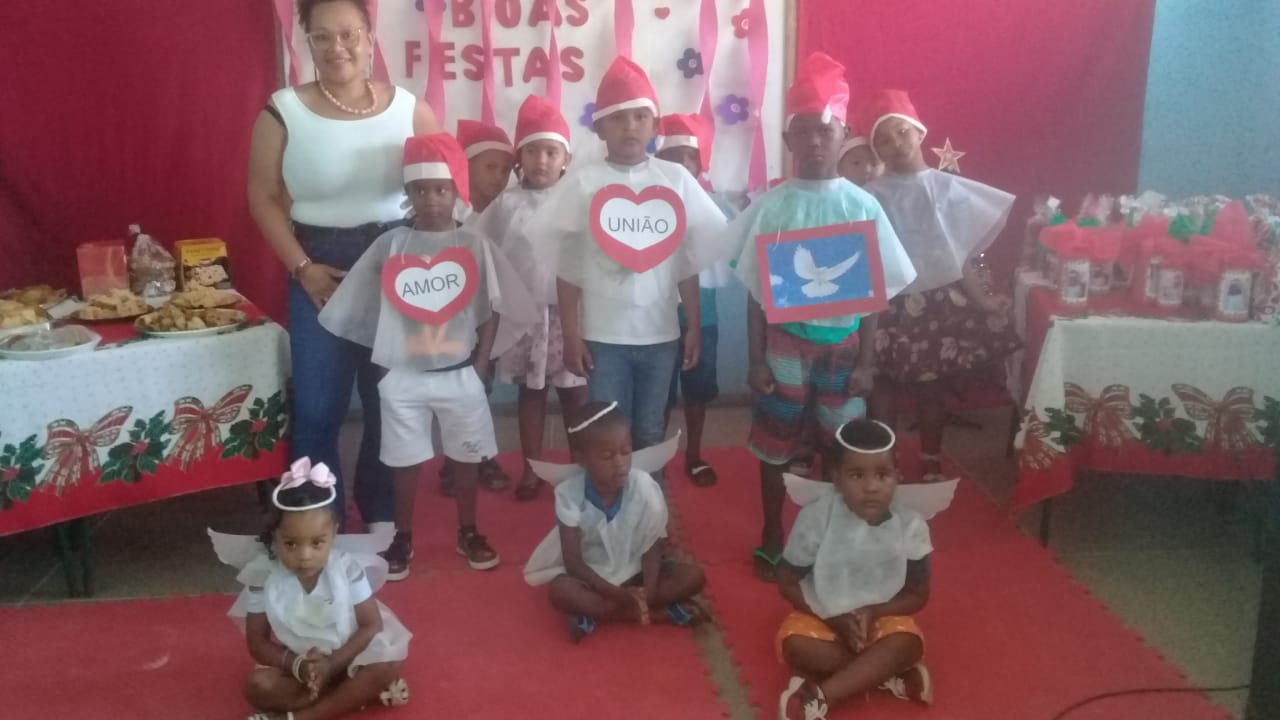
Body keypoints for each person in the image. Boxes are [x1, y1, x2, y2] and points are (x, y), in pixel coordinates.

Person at [247, 0, 440, 532]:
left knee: (389, 400)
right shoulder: (283, 110)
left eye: (349, 34)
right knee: (317, 406)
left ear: (370, 38)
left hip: (395, 267)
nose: (338, 47)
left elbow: (440, 192)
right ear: (307, 41)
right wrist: (302, 266)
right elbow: (262, 197)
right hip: (318, 268)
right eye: (323, 37)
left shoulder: (411, 110)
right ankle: (316, 521)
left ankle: (382, 514)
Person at [726, 53, 916, 581]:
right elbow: (756, 292)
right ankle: (772, 531)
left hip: (843, 348)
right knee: (776, 439)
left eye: (825, 131)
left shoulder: (862, 206)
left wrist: (868, 362)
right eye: (803, 132)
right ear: (788, 140)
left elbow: (874, 294)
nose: (814, 142)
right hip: (784, 345)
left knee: (842, 441)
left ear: (844, 136)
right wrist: (755, 360)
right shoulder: (773, 206)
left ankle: (839, 534)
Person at [319, 133, 535, 579]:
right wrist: (385, 364)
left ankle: (468, 529)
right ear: (408, 194)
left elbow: (492, 306)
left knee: (467, 454)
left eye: (440, 189)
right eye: (420, 190)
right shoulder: (392, 245)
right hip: (404, 376)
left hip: (460, 373)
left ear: (455, 191)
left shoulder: (472, 244)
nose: (431, 199)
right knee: (403, 458)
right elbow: (366, 303)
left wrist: (480, 364)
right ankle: (403, 535)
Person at [526, 57, 730, 486]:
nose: (630, 127)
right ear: (600, 128)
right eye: (618, 118)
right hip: (604, 338)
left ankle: (649, 513)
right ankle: (608, 511)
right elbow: (568, 267)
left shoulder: (674, 180)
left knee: (651, 430)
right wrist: (572, 334)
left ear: (655, 125)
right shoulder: (583, 183)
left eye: (640, 116)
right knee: (607, 431)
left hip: (660, 336)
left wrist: (693, 325)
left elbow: (686, 262)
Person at [858, 90, 1021, 483]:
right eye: (884, 140)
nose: (896, 144)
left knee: (931, 388)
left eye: (902, 132)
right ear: (876, 150)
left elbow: (958, 255)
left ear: (919, 132)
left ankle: (931, 457)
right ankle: (885, 459)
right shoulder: (868, 195)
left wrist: (982, 300)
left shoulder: (946, 189)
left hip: (933, 305)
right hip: (884, 305)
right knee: (882, 387)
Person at [210, 458, 411, 720]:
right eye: (291, 544)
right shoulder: (263, 576)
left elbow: (371, 625)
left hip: (351, 655)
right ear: (274, 537)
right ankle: (351, 696)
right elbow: (257, 643)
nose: (304, 556)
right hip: (301, 665)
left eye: (317, 543)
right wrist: (299, 666)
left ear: (334, 534)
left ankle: (301, 716)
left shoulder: (347, 569)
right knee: (258, 686)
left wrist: (332, 664)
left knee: (387, 663)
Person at [471, 95, 588, 500]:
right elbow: (481, 249)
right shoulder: (506, 204)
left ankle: (580, 467)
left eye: (551, 152)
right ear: (519, 157)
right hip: (525, 317)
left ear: (566, 159)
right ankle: (532, 468)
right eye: (533, 151)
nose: (541, 160)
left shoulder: (578, 200)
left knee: (575, 394)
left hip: (569, 317)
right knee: (531, 392)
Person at [776, 420, 933, 719]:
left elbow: (918, 595)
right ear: (836, 478)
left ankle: (822, 697)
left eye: (883, 475)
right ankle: (886, 675)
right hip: (822, 614)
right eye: (857, 475)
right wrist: (832, 618)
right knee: (795, 645)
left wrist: (873, 613)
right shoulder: (817, 518)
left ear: (898, 476)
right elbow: (786, 581)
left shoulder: (910, 525)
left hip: (881, 617)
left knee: (907, 642)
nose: (871, 487)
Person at [523, 401, 707, 642]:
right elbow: (574, 563)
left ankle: (600, 614)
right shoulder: (569, 494)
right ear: (582, 459)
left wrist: (649, 592)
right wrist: (619, 595)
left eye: (626, 452)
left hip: (637, 569)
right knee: (560, 592)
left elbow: (652, 546)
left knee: (694, 577)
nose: (620, 463)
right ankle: (658, 615)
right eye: (607, 456)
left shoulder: (643, 486)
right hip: (594, 575)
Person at [655, 113, 734, 487]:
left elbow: (729, 249)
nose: (684, 164)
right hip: (657, 317)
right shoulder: (647, 205)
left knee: (698, 391)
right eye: (675, 157)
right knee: (659, 394)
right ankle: (656, 456)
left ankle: (694, 454)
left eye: (691, 157)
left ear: (701, 164)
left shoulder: (713, 204)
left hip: (703, 316)